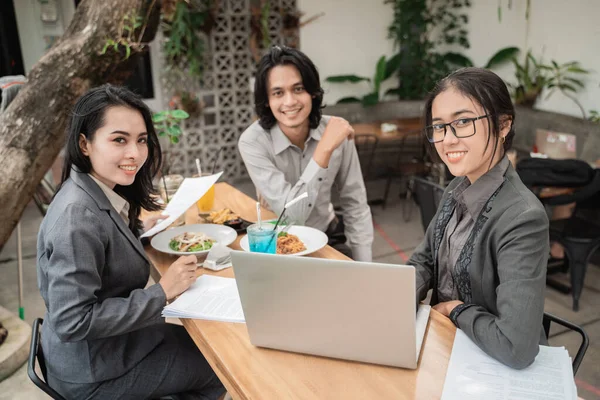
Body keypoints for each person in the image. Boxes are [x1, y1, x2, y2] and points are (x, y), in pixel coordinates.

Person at [36, 85, 225, 399]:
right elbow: (73, 321)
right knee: (219, 368)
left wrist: (136, 229)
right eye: (119, 140)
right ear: (85, 143)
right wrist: (162, 292)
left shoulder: (93, 191)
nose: (135, 154)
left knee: (207, 344)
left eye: (141, 140)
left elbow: (101, 245)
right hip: (91, 374)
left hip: (109, 347)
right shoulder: (76, 218)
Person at [409, 67, 549, 369]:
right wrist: (395, 296)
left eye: (463, 122)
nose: (447, 139)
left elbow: (516, 347)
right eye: (439, 127)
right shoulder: (457, 186)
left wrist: (456, 310)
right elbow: (423, 260)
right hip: (446, 346)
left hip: (490, 364)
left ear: (503, 125)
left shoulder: (523, 218)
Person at [238, 46, 373, 261]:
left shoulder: (336, 130)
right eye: (278, 93)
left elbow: (355, 203)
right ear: (267, 100)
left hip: (326, 234)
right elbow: (293, 217)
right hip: (277, 242)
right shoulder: (252, 142)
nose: (290, 102)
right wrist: (323, 151)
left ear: (313, 92)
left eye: (298, 89)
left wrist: (366, 265)